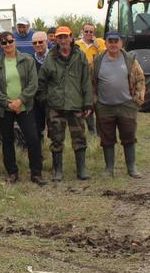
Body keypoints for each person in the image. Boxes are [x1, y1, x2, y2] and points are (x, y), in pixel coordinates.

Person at [0, 31, 45, 185]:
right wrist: (9, 103)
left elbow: (33, 84)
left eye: (10, 41)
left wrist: (20, 101)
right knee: (7, 140)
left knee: (32, 138)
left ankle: (36, 173)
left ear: (15, 42)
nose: (8, 45)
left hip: (24, 107)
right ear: (0, 45)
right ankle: (12, 173)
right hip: (4, 108)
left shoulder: (27, 60)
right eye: (4, 43)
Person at [37, 26, 93, 181]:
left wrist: (88, 104)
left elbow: (86, 81)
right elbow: (41, 81)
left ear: (71, 37)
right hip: (56, 106)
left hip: (76, 104)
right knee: (56, 138)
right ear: (55, 39)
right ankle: (58, 170)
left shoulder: (80, 56)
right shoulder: (51, 57)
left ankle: (81, 170)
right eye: (59, 37)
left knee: (79, 137)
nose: (62, 40)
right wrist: (45, 99)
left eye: (65, 37)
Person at [91, 31, 145, 178]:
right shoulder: (97, 61)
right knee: (107, 138)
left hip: (126, 105)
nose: (113, 44)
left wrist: (137, 99)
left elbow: (140, 79)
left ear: (121, 43)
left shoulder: (130, 60)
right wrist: (94, 100)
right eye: (110, 41)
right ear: (106, 42)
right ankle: (109, 169)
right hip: (104, 106)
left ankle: (131, 168)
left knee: (128, 136)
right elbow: (91, 82)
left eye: (116, 41)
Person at [75, 22, 106, 136]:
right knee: (86, 104)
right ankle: (91, 130)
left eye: (91, 32)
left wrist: (97, 46)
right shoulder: (77, 44)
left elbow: (106, 57)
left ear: (94, 33)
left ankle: (100, 130)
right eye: (86, 31)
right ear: (82, 31)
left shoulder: (100, 42)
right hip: (82, 79)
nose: (88, 33)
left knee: (98, 105)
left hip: (97, 79)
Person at [30, 31, 49, 141]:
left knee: (55, 130)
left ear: (46, 42)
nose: (37, 45)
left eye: (40, 42)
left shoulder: (54, 57)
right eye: (35, 43)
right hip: (36, 100)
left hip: (52, 98)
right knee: (37, 128)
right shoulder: (30, 60)